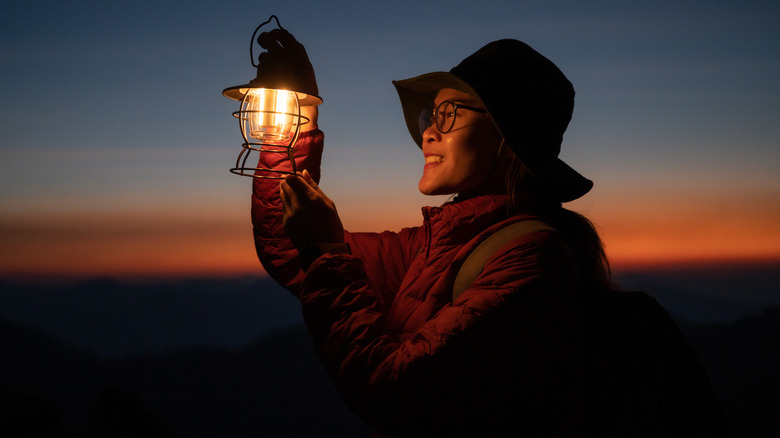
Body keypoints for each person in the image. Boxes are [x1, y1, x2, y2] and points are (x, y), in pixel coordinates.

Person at [250, 30, 727, 437]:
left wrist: (329, 250)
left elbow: (396, 394)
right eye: (428, 117)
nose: (428, 133)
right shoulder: (435, 246)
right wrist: (293, 121)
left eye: (449, 114)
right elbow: (293, 252)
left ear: (506, 137)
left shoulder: (533, 262)